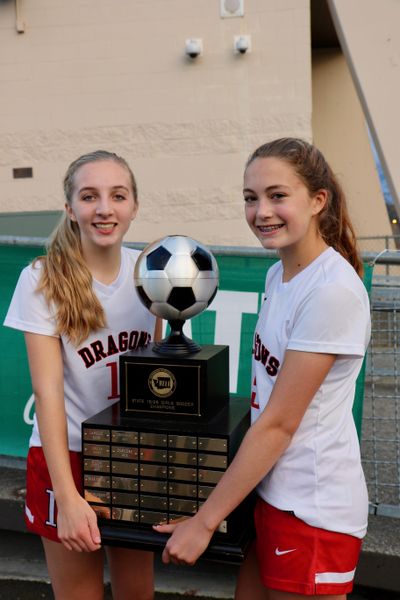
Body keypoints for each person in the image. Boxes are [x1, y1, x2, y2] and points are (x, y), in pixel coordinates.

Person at [154, 138, 371, 600]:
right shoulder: (280, 274)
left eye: (277, 195)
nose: (261, 211)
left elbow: (278, 424)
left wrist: (205, 521)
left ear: (317, 201)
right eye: (251, 198)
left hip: (313, 511)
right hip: (272, 493)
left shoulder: (331, 291)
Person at [4, 150, 161, 600]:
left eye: (117, 195)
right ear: (70, 208)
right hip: (66, 456)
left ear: (134, 206)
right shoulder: (41, 278)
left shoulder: (149, 273)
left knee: (137, 592)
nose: (104, 208)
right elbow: (48, 391)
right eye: (89, 196)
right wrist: (68, 496)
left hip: (130, 455)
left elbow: (151, 381)